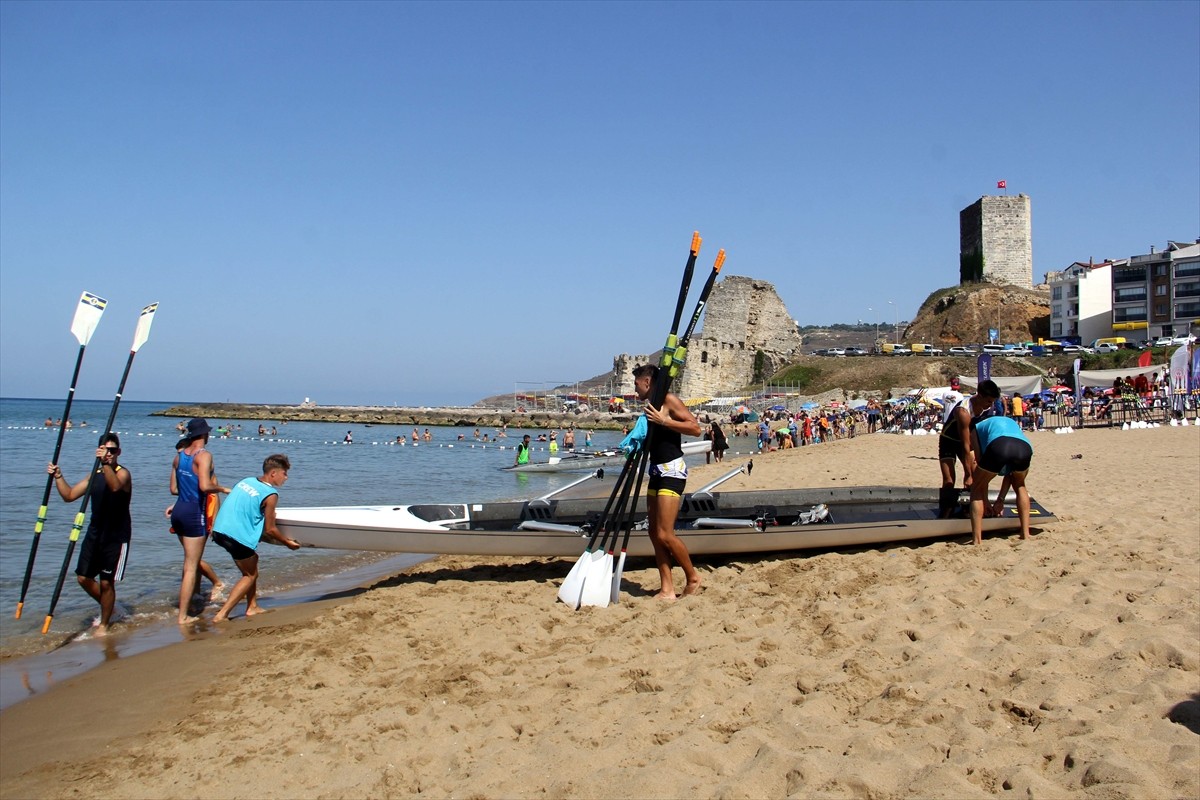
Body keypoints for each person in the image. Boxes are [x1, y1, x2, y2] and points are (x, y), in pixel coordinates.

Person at [47, 432, 132, 636]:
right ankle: (111, 608)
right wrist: (59, 476)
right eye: (105, 450)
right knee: (83, 578)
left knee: (106, 582)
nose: (109, 454)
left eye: (112, 451)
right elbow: (69, 495)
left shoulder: (122, 473)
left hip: (116, 536)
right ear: (98, 451)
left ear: (118, 452)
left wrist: (105, 464)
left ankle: (104, 624)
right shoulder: (94, 475)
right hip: (95, 534)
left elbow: (114, 487)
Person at [631, 363, 702, 600]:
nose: (634, 388)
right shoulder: (651, 404)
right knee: (653, 532)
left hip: (672, 470)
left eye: (636, 383)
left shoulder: (669, 400)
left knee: (665, 534)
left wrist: (664, 421)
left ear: (647, 382)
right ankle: (667, 589)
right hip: (656, 470)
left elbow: (695, 428)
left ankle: (692, 577)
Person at [211, 454, 299, 622]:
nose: (286, 478)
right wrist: (288, 543)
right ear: (273, 473)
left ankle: (252, 606)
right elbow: (271, 529)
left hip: (219, 531)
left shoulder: (247, 481)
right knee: (249, 575)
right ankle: (222, 615)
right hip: (236, 538)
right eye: (285, 473)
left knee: (252, 565)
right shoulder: (271, 494)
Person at [171, 418, 228, 624]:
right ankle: (183, 616)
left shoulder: (178, 457)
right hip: (195, 512)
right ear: (204, 435)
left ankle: (194, 596)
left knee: (189, 561)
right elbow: (205, 486)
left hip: (179, 510)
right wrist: (222, 489)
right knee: (191, 565)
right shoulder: (204, 455)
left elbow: (174, 489)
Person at [967, 380, 1034, 546]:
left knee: (975, 487)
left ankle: (977, 540)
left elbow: (980, 462)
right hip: (1024, 447)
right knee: (1020, 485)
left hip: (1000, 445)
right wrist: (1000, 500)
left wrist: (985, 501)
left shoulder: (975, 427)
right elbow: (1009, 475)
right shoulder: (1007, 421)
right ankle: (1025, 534)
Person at [936, 391, 972, 518]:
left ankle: (967, 507)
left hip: (963, 440)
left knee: (972, 473)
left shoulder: (985, 409)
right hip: (948, 438)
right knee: (949, 480)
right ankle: (946, 510)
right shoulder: (963, 406)